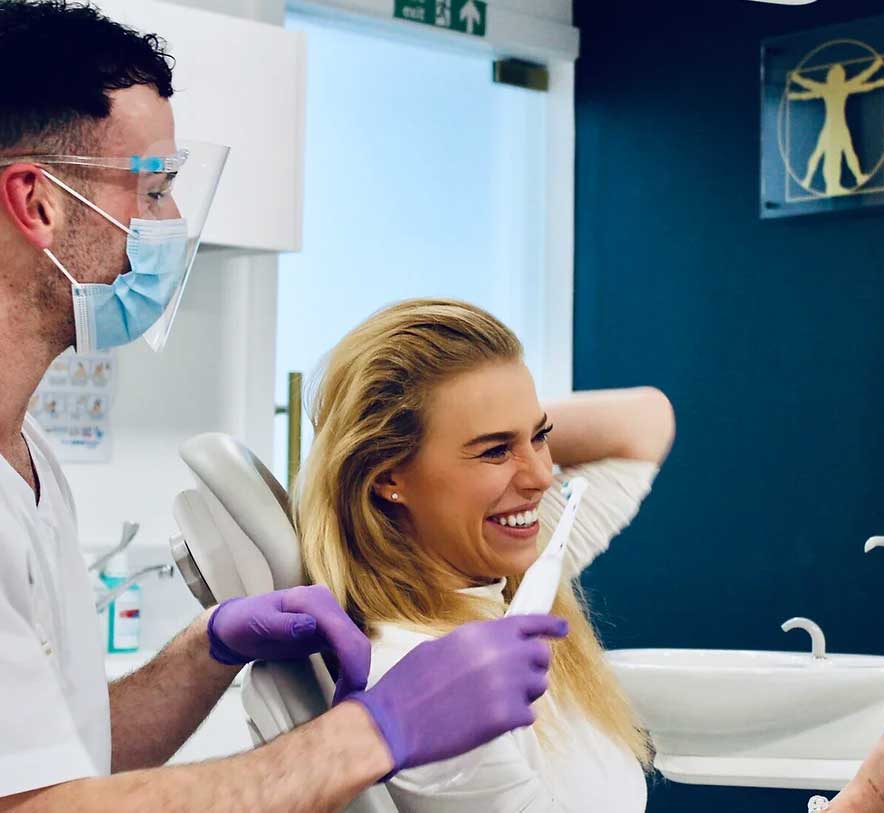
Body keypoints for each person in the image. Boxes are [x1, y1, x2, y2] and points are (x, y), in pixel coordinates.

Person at [0, 3, 565, 810]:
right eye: (154, 190)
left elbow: (61, 760)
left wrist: (210, 645)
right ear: (37, 202)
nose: (172, 222)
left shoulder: (29, 457)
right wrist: (377, 729)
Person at [298, 299, 677, 811]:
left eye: (541, 436)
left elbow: (645, 422)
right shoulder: (432, 684)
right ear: (388, 476)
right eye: (494, 451)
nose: (542, 476)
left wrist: (492, 416)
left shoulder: (510, 581)